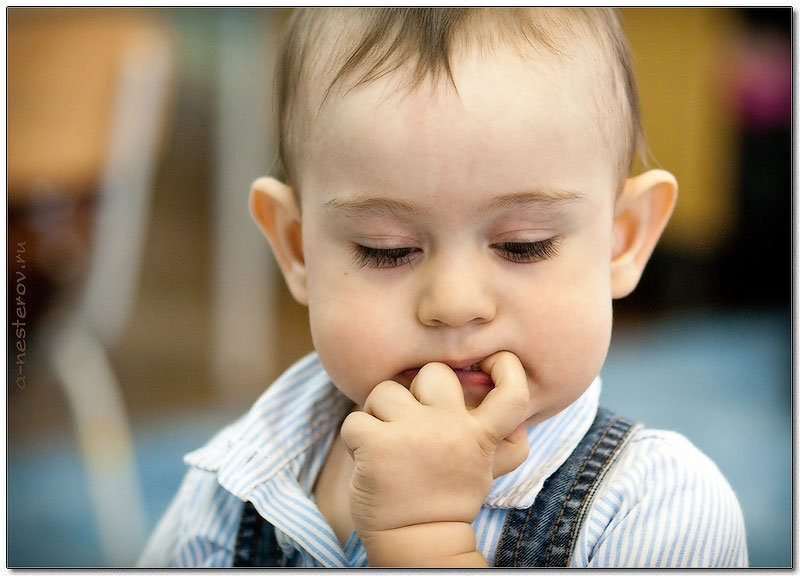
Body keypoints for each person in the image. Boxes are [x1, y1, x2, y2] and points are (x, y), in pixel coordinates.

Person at [139, 8, 747, 567]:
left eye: (523, 245)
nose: (455, 305)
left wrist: (424, 541)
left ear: (623, 241)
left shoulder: (658, 509)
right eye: (388, 250)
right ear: (298, 249)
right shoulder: (238, 479)